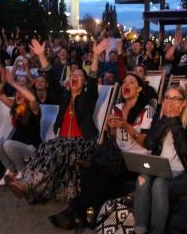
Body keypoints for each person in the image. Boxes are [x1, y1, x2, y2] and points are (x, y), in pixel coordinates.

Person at [7, 38, 110, 203]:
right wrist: (41, 55)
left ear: (83, 83)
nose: (75, 76)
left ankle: (26, 183)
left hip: (83, 143)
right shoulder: (64, 97)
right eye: (73, 75)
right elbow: (52, 79)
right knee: (47, 148)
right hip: (62, 143)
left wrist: (96, 57)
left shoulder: (88, 98)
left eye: (79, 75)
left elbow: (92, 80)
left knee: (53, 146)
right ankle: (28, 184)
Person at [49, 74, 152, 230]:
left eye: (131, 82)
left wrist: (126, 127)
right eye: (124, 82)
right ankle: (80, 215)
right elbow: (115, 139)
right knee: (91, 169)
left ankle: (73, 211)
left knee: (104, 174)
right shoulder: (117, 108)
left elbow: (146, 141)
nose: (126, 84)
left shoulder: (146, 109)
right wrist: (112, 130)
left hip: (137, 159)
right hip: (118, 155)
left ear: (139, 89)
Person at [128, 86, 187, 234]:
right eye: (167, 97)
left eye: (175, 98)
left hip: (186, 175)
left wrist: (175, 121)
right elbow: (150, 144)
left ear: (183, 103)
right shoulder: (159, 119)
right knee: (142, 178)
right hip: (161, 169)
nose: (169, 101)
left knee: (160, 183)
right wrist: (164, 122)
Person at [0, 66, 41, 185]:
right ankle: (11, 170)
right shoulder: (15, 108)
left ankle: (22, 172)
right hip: (15, 147)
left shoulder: (34, 108)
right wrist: (4, 81)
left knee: (8, 143)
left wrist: (14, 83)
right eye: (16, 92)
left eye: (21, 92)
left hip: (32, 148)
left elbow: (32, 98)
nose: (17, 94)